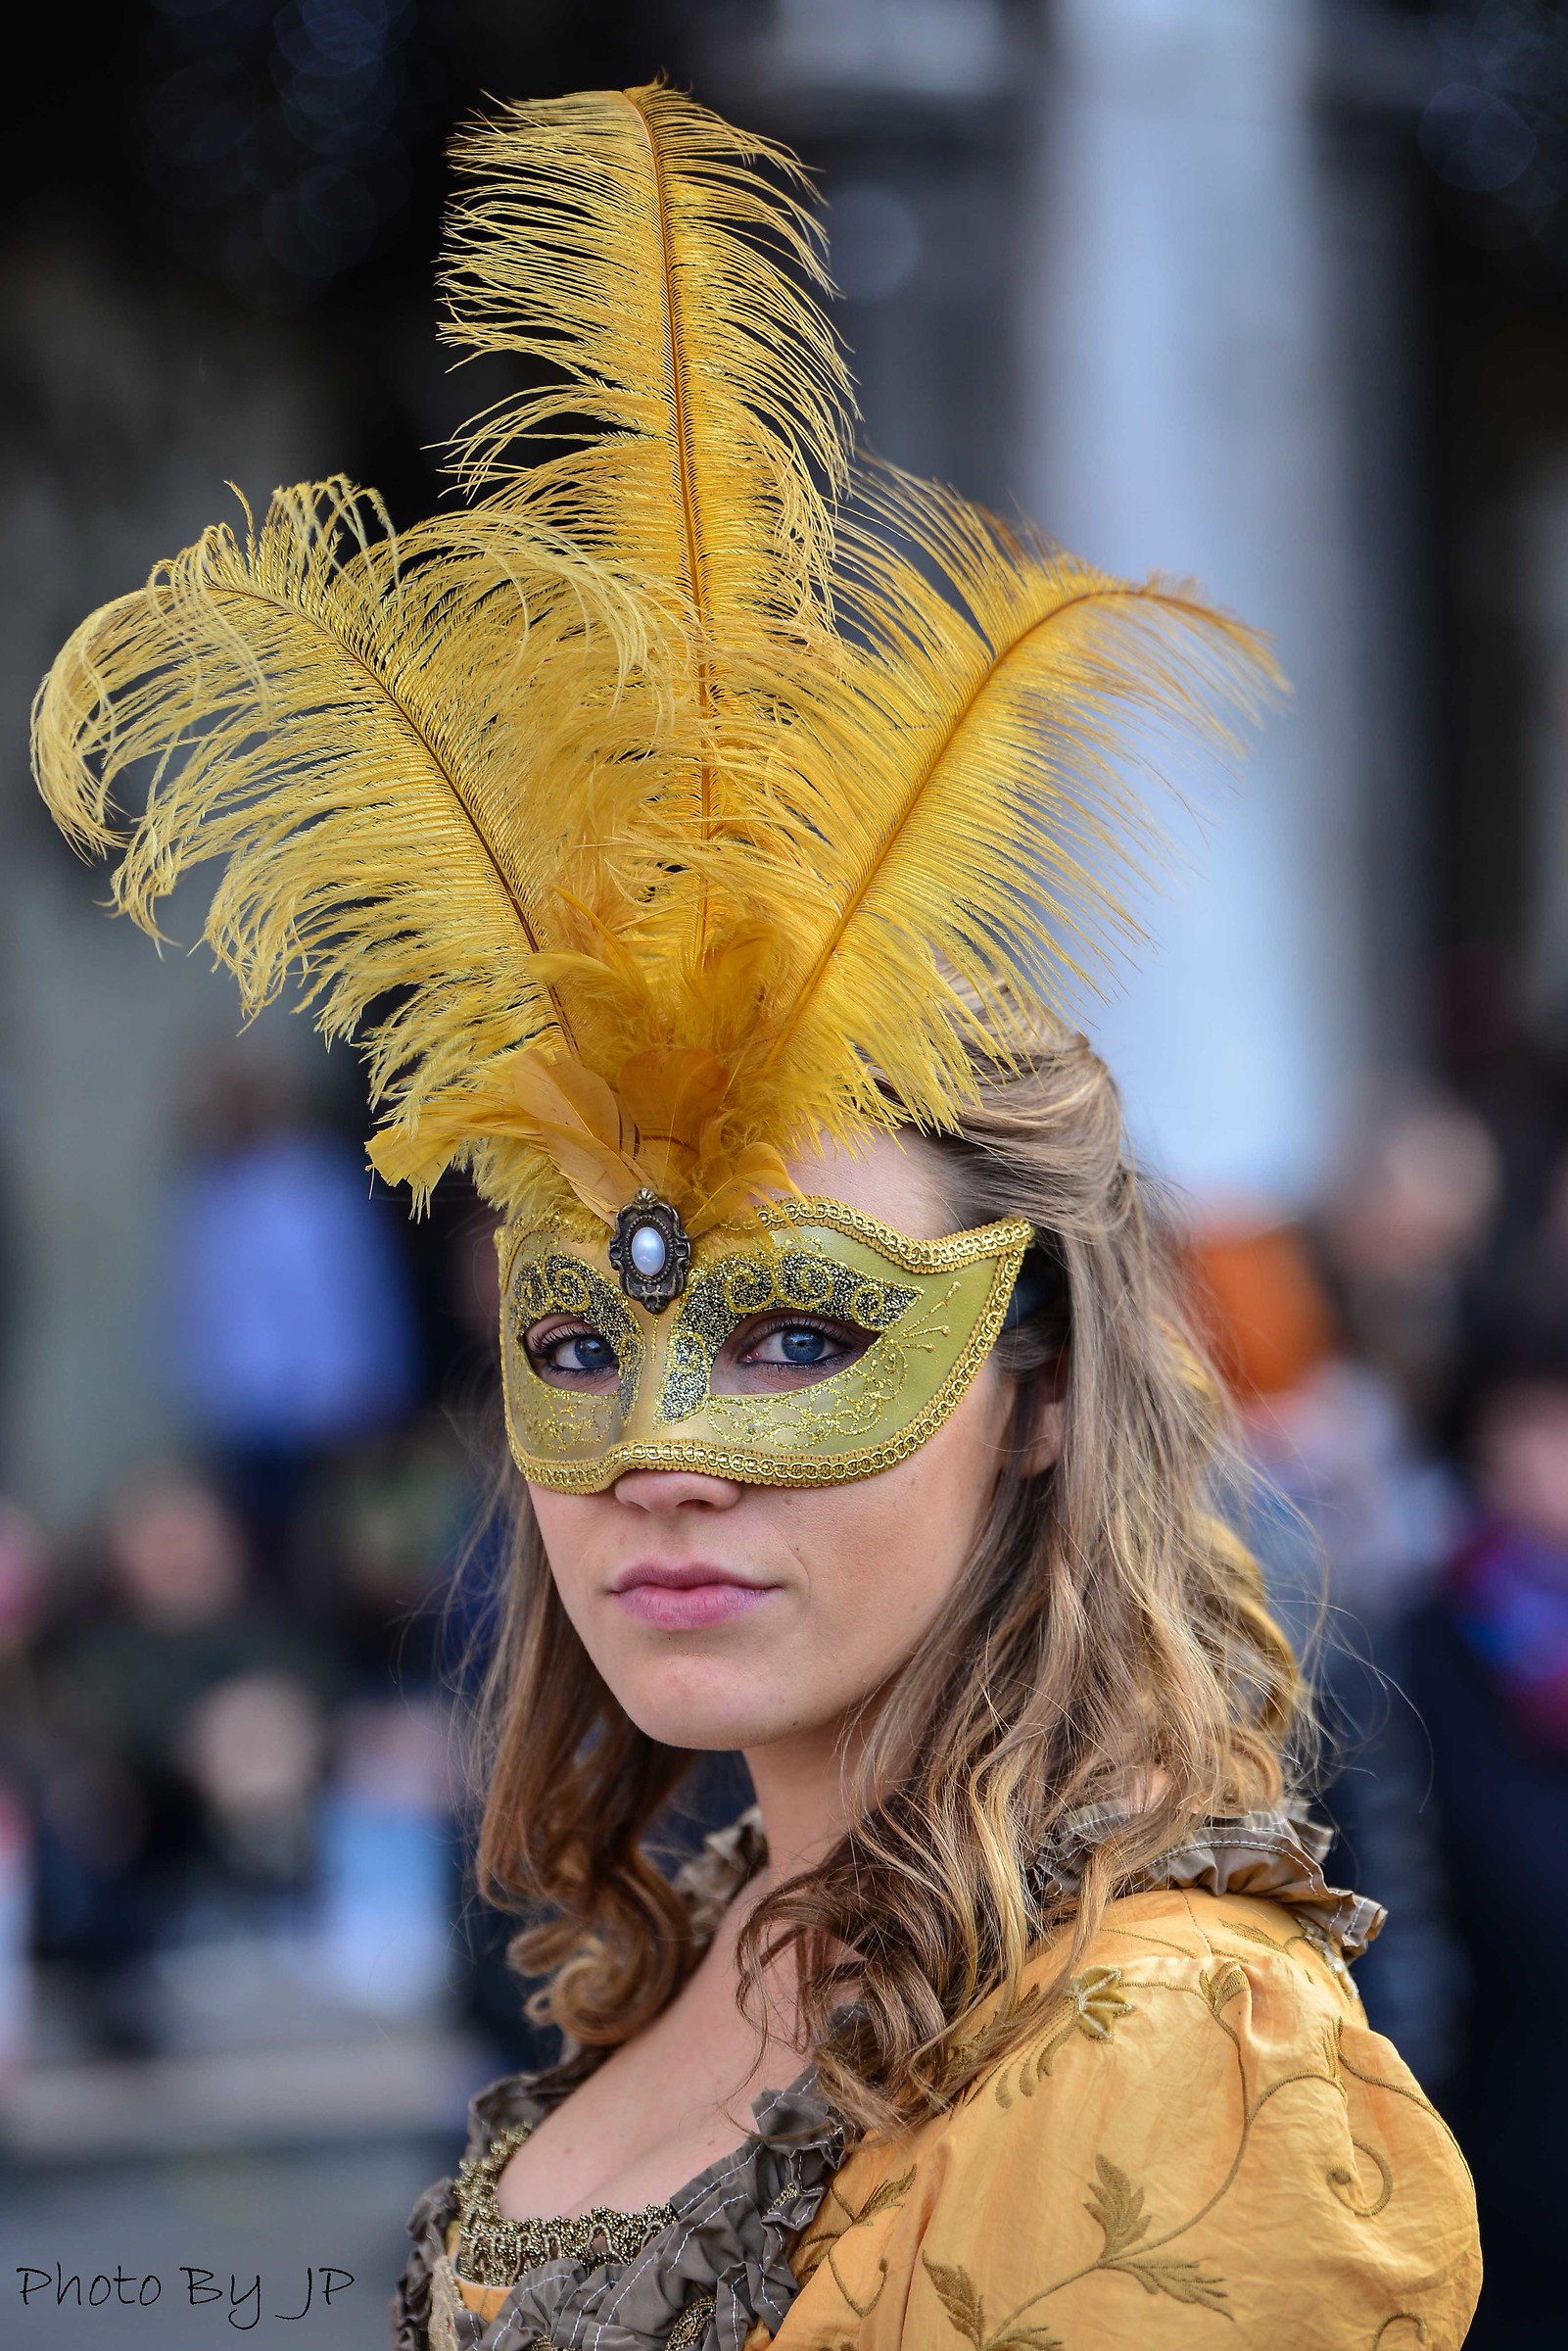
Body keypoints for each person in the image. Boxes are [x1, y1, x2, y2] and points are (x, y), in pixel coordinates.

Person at [32, 81, 1479, 2351]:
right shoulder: (696, 1956)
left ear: (1034, 1393)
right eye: (581, 1347)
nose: (657, 1455)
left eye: (804, 1334)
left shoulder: (1182, 2072)